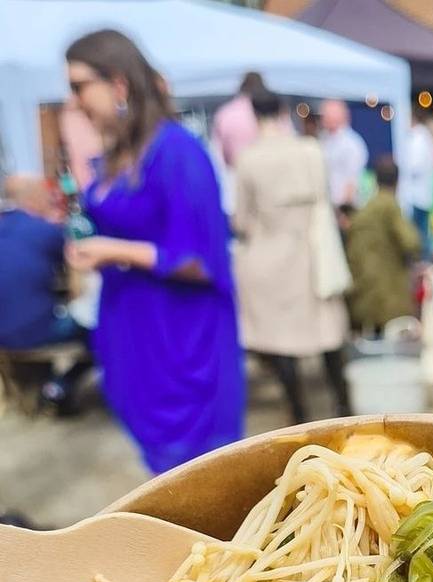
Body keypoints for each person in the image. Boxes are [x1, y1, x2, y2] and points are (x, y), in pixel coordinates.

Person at [64, 30, 244, 473]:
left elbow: (199, 260)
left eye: (79, 86)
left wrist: (114, 249)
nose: (75, 101)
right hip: (135, 334)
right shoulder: (119, 156)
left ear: (119, 83)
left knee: (198, 474)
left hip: (180, 339)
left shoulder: (177, 152)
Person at [233, 90, 352, 421]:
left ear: (255, 115)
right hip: (313, 256)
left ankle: (298, 414)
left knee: (282, 340)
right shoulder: (311, 150)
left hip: (271, 259)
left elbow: (242, 219)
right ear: (284, 111)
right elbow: (324, 200)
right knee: (327, 335)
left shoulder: (248, 158)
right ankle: (344, 405)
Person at [0, 176, 82, 349]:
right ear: (34, 199)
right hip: (35, 331)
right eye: (47, 197)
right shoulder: (44, 231)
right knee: (93, 329)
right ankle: (65, 377)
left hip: (4, 335)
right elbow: (78, 265)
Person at [347, 156, 421, 333]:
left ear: (375, 180)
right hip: (388, 301)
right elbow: (411, 242)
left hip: (361, 299)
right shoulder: (389, 205)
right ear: (398, 181)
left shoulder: (364, 210)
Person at [320, 99, 369, 216]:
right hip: (329, 208)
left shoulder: (351, 143)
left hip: (344, 211)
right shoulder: (325, 139)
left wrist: (342, 213)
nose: (323, 118)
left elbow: (352, 181)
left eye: (326, 114)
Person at [211, 71, 266, 169]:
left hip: (236, 173)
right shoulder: (272, 113)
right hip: (266, 173)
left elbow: (217, 155)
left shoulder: (225, 113)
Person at [403, 110, 433, 262]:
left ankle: (424, 265)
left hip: (416, 196)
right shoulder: (426, 138)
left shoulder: (418, 139)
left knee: (419, 235)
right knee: (423, 234)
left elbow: (412, 166)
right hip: (423, 194)